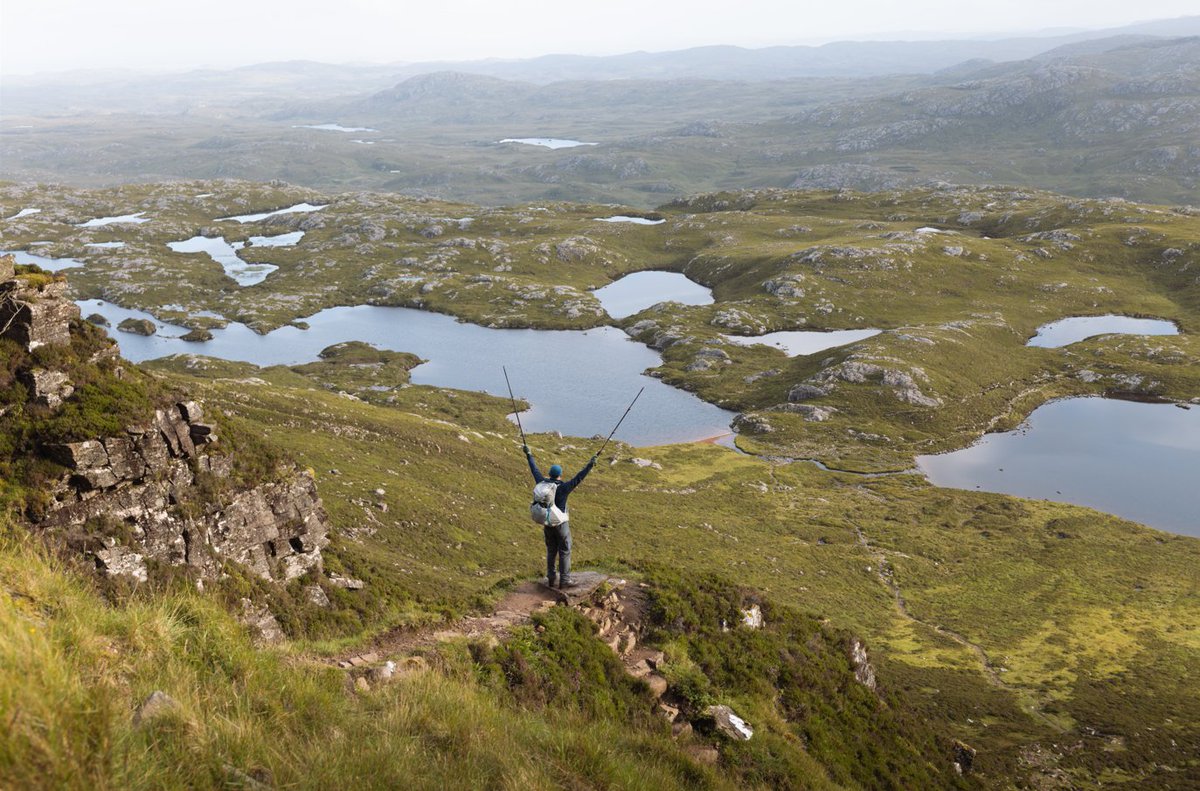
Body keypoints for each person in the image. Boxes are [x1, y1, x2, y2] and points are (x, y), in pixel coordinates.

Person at [524, 443, 597, 588]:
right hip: (561, 524)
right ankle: (565, 580)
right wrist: (590, 464)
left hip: (547, 523)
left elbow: (534, 469)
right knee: (565, 550)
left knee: (551, 550)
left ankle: (551, 578)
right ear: (559, 475)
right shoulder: (563, 488)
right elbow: (579, 477)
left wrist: (529, 454)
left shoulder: (542, 483)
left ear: (549, 474)